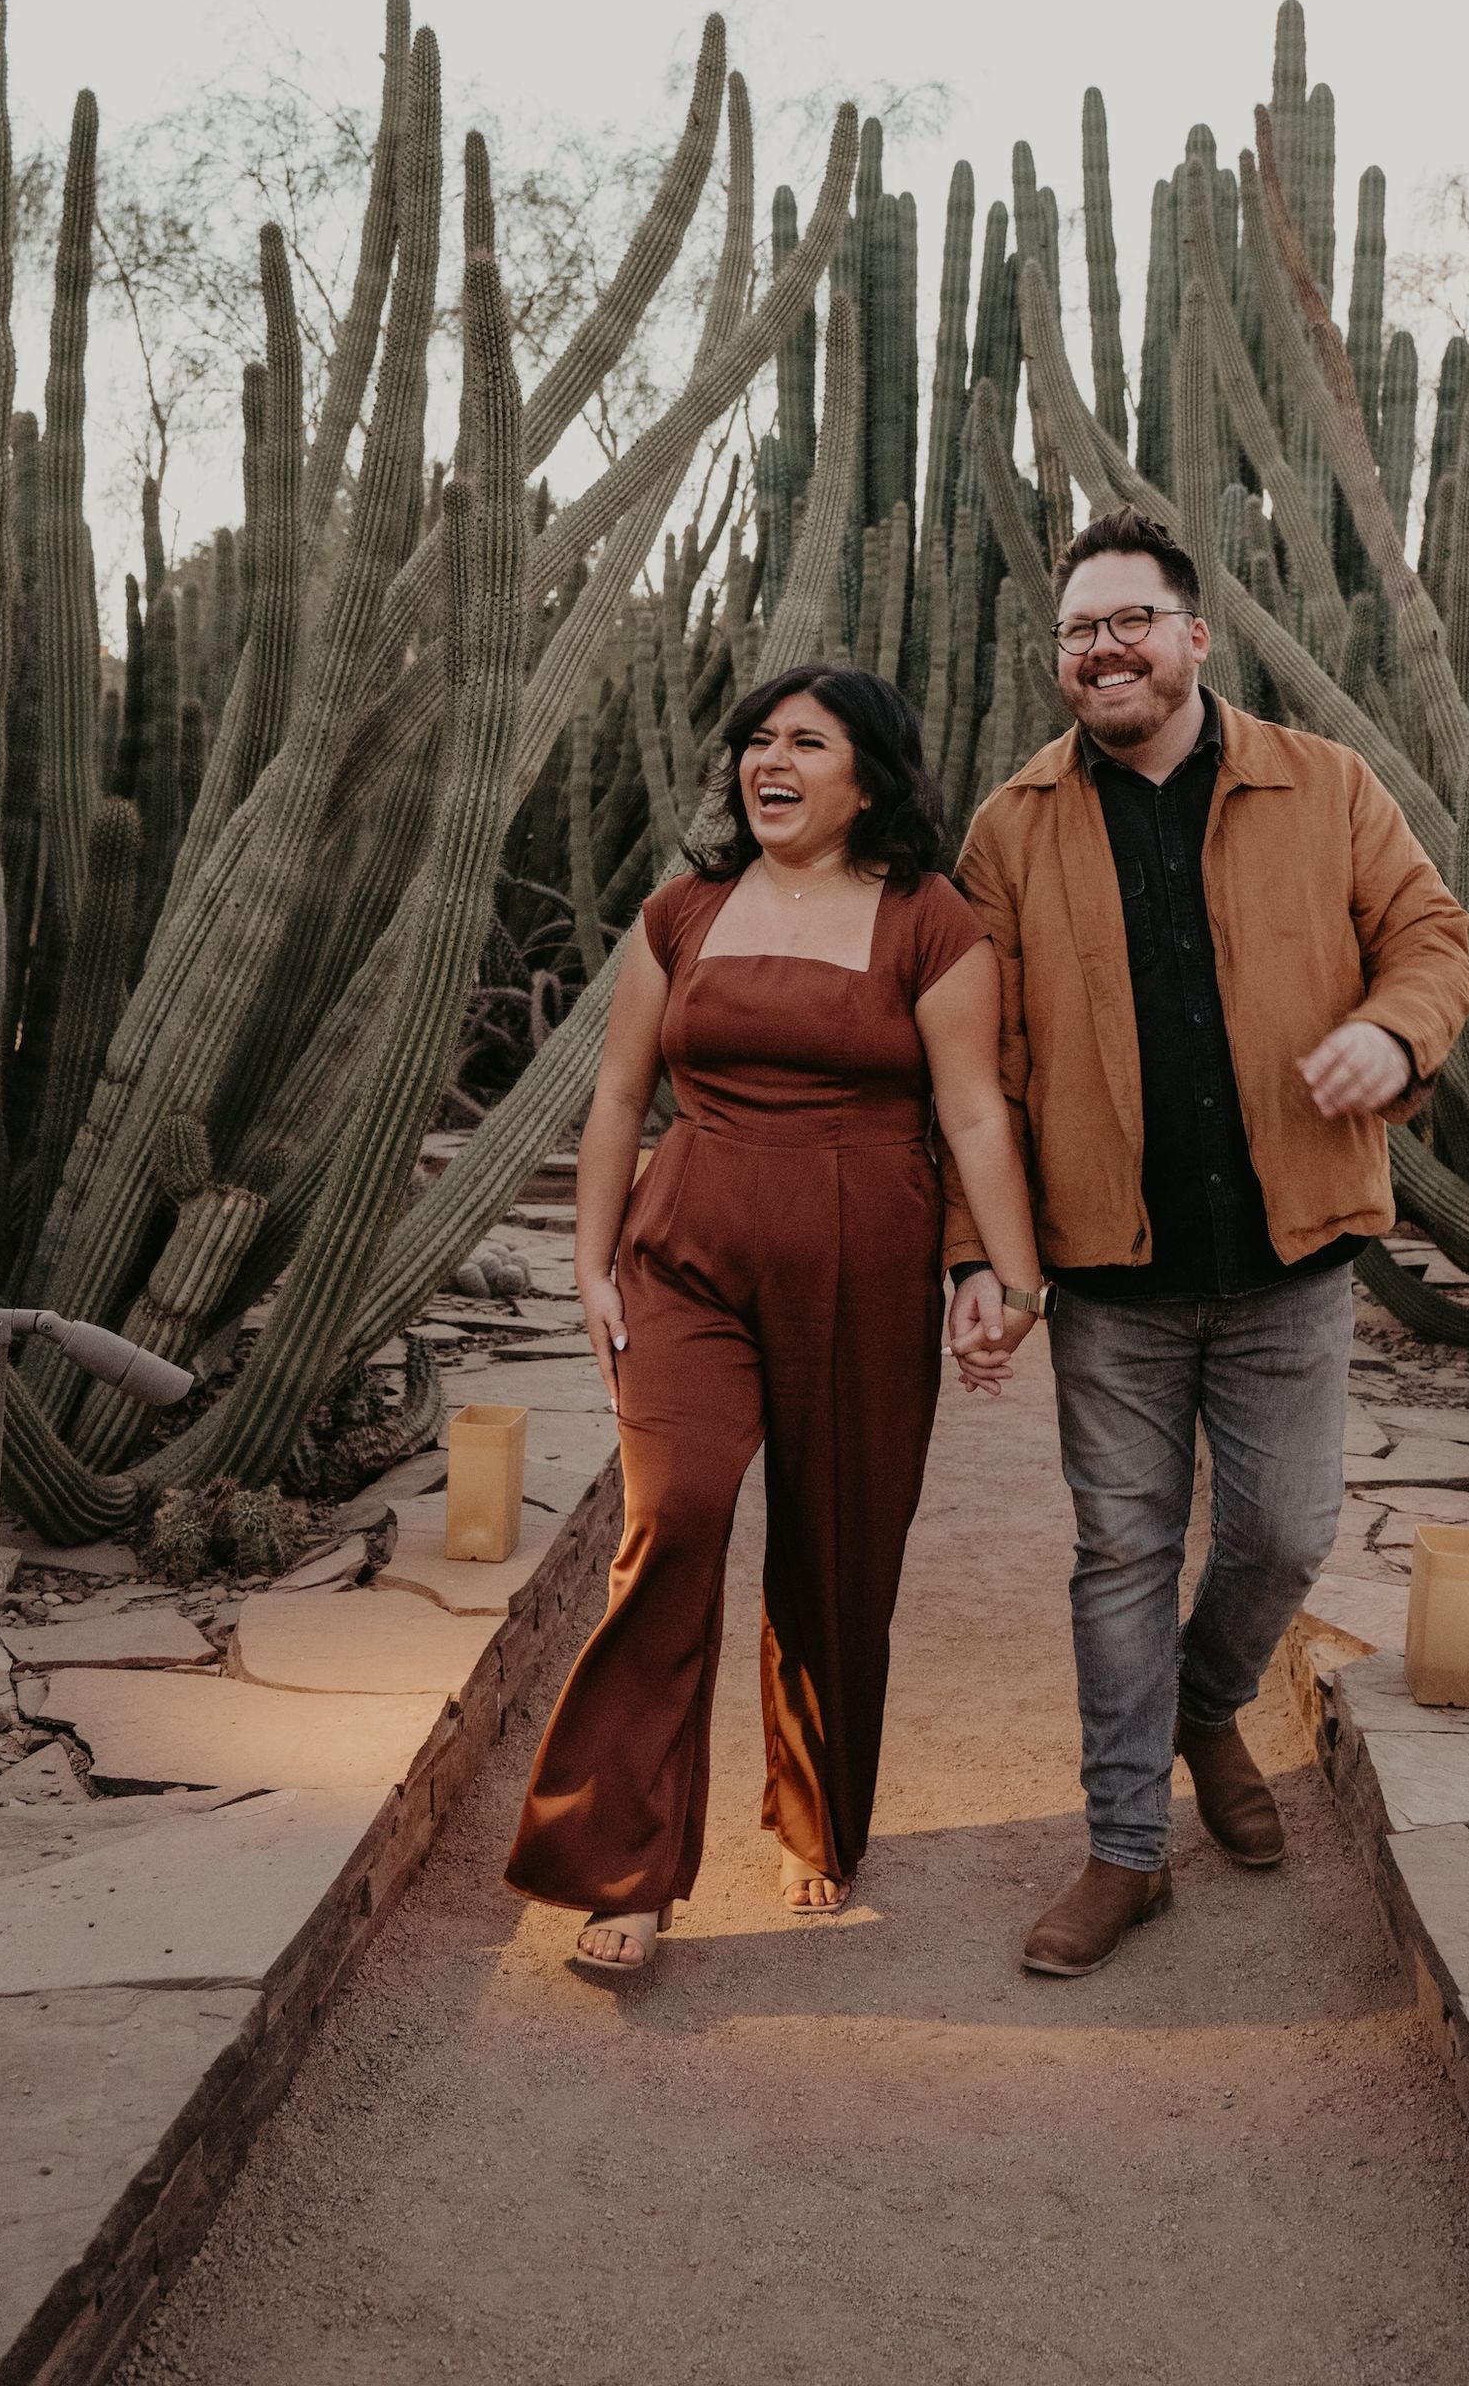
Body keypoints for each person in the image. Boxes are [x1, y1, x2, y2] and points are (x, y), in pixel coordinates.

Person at [944, 507, 1469, 1978]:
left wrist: (1390, 1028)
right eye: (1078, 631)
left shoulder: (1329, 784)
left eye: (1130, 621)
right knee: (1119, 1552)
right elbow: (976, 1065)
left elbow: (1432, 935)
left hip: (1292, 1255)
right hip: (1111, 1274)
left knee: (1287, 1535)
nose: (1102, 649)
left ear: (1193, 635)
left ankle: (1203, 1703)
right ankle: (1125, 1850)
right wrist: (975, 1260)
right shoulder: (1013, 826)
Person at [507, 666, 1044, 1977]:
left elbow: (974, 1112)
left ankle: (815, 1820)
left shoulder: (931, 924)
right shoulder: (681, 913)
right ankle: (624, 1869)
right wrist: (592, 1268)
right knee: (673, 1520)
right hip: (683, 1255)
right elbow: (621, 1098)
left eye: (807, 739)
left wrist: (1016, 1283)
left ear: (871, 775)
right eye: (756, 740)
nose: (771, 759)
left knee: (836, 1551)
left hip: (861, 1265)